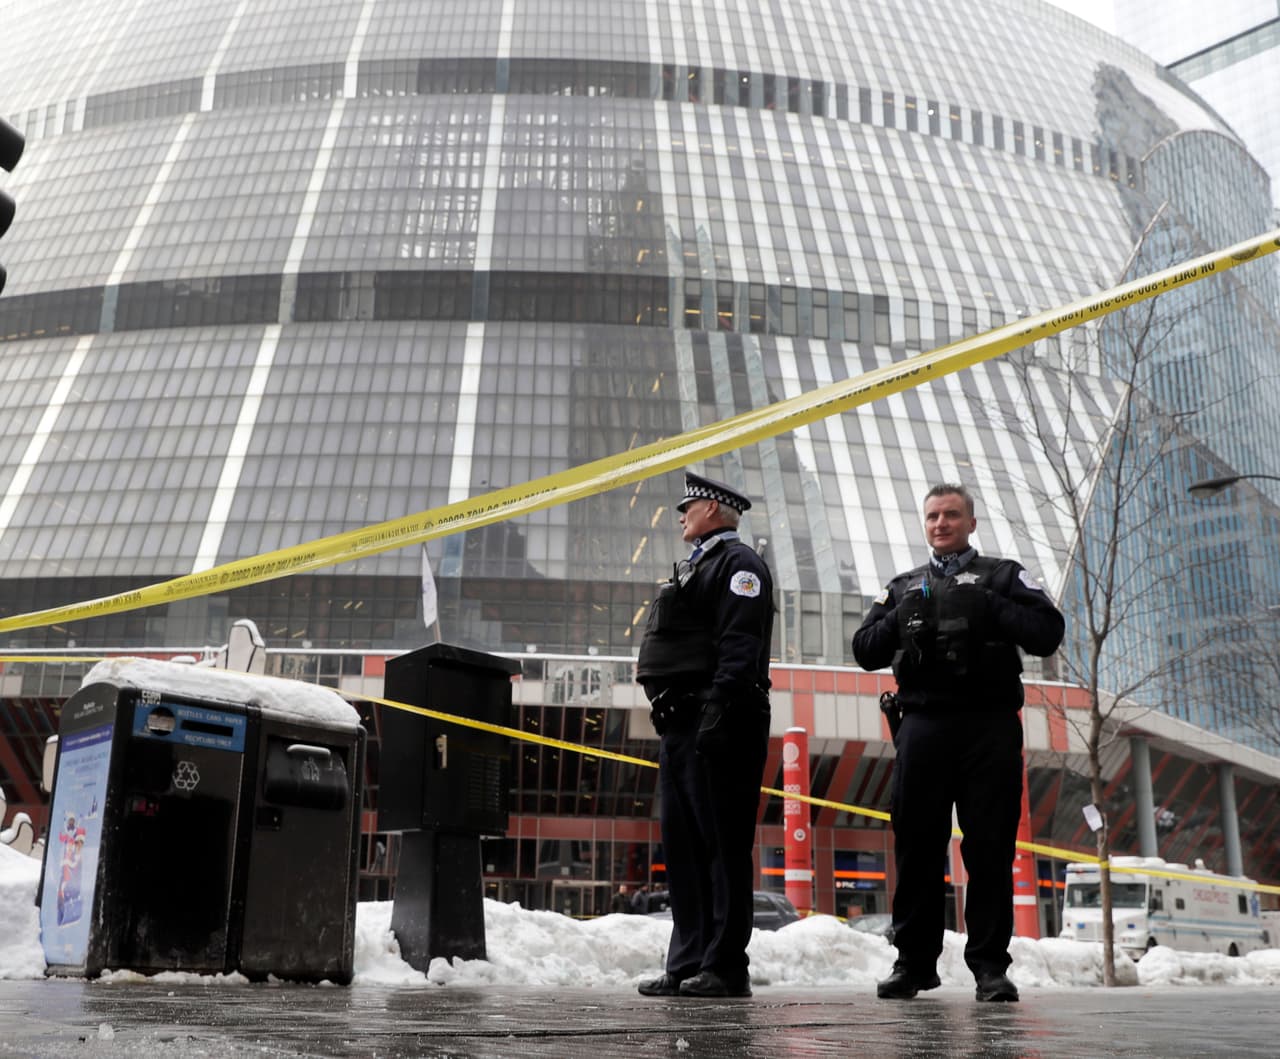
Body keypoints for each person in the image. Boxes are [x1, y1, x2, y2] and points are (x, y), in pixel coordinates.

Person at [852, 483, 1064, 1003]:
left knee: (989, 848)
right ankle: (914, 964)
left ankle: (991, 968)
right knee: (917, 846)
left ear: (971, 522)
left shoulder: (1004, 575)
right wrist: (902, 618)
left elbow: (1047, 632)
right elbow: (863, 650)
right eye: (932, 517)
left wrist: (988, 605)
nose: (941, 524)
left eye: (951, 515)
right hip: (922, 724)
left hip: (987, 726)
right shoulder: (903, 586)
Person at [634, 471, 774, 999]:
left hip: (722, 720)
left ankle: (724, 966)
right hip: (684, 722)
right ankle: (687, 960)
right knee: (686, 848)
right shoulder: (700, 565)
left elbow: (740, 647)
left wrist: (717, 710)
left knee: (722, 846)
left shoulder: (740, 566)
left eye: (688, 506)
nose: (681, 514)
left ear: (714, 511)